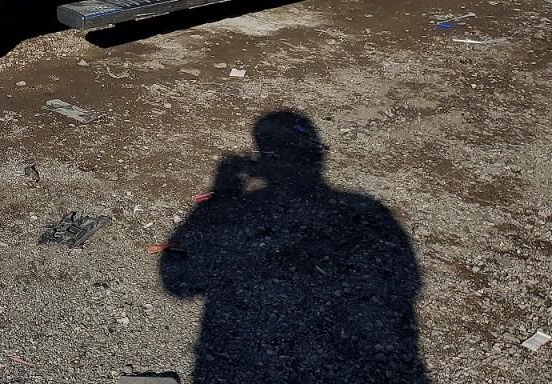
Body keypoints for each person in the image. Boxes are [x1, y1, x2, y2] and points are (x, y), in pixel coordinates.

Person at [160, 111, 428, 383]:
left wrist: (222, 190)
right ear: (318, 155)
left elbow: (178, 279)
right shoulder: (368, 211)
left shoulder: (246, 210)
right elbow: (407, 283)